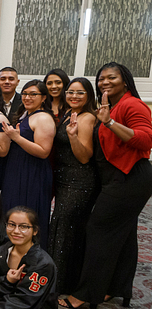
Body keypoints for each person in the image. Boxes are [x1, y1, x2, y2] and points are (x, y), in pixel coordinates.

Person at [62, 63, 152, 309]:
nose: (104, 82)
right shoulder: (110, 105)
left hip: (130, 177)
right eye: (101, 79)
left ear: (125, 81)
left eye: (111, 77)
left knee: (98, 230)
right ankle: (116, 288)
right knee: (123, 235)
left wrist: (110, 122)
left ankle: (87, 293)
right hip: (117, 177)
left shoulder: (132, 104)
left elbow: (146, 138)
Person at [48, 77, 98, 294]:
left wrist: (73, 136)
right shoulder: (69, 113)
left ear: (88, 95)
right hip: (64, 178)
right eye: (71, 92)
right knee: (61, 227)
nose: (74, 96)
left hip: (79, 181)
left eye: (80, 93)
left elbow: (85, 156)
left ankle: (61, 285)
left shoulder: (87, 118)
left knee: (65, 229)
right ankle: (56, 280)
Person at [1, 80, 56, 246]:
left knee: (27, 215)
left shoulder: (44, 118)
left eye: (33, 94)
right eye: (25, 93)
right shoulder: (27, 114)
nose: (27, 97)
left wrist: (16, 138)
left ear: (44, 98)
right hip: (17, 170)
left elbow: (43, 151)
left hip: (32, 174)